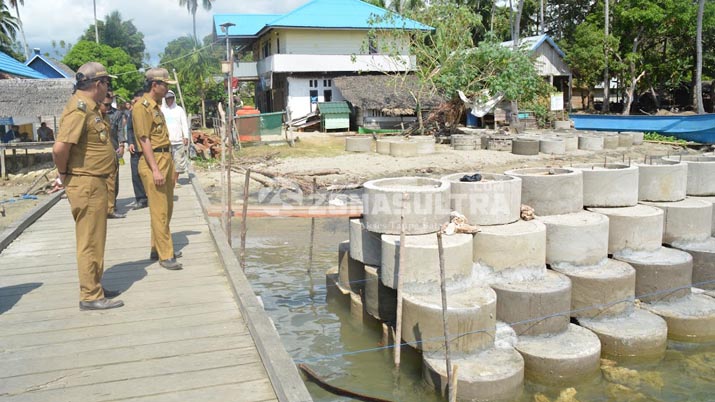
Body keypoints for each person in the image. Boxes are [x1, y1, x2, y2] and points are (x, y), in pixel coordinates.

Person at [52, 61, 124, 310]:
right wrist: (63, 174)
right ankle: (90, 295)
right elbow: (60, 148)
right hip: (86, 182)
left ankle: (95, 285)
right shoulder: (80, 110)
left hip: (95, 181)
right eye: (107, 83)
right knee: (89, 241)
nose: (107, 89)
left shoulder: (91, 109)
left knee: (96, 239)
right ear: (98, 84)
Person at [132, 68, 182, 270]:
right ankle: (166, 255)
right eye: (165, 85)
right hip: (154, 159)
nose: (167, 88)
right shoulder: (141, 108)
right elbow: (144, 139)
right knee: (160, 209)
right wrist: (155, 169)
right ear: (155, 85)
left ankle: (157, 247)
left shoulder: (155, 106)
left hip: (165, 156)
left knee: (167, 207)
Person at [100, 94, 125, 219]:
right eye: (105, 104)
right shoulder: (94, 115)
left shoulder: (117, 114)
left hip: (113, 150)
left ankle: (112, 206)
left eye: (110, 104)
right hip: (99, 154)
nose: (108, 107)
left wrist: (122, 145)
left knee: (113, 180)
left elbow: (120, 130)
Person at [161, 90, 190, 187]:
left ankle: (175, 181)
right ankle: (168, 181)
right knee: (167, 163)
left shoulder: (179, 110)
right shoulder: (161, 110)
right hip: (165, 141)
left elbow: (184, 124)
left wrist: (186, 136)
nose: (169, 100)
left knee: (178, 162)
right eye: (167, 98)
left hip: (178, 141)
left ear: (174, 98)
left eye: (171, 98)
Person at [125, 91, 148, 209]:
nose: (136, 104)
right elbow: (129, 129)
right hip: (136, 148)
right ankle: (141, 199)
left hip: (149, 148)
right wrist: (130, 143)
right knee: (135, 174)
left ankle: (152, 196)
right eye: (135, 101)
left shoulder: (150, 111)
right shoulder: (132, 113)